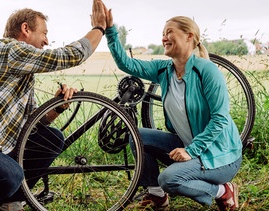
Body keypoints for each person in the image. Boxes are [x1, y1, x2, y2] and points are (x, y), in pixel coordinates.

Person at [0, 1, 107, 210]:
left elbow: (33, 124)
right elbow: (69, 56)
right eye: (44, 33)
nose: (47, 41)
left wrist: (58, 106)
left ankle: (9, 202)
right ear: (26, 29)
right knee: (11, 174)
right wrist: (99, 28)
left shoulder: (22, 72)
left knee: (51, 138)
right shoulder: (9, 49)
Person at [102, 5, 242, 211]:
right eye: (162, 34)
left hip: (220, 155)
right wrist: (110, 30)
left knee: (169, 178)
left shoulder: (207, 71)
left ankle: (223, 191)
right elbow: (126, 64)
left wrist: (191, 151)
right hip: (188, 144)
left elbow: (220, 118)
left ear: (189, 36)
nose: (164, 38)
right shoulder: (164, 70)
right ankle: (157, 195)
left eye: (169, 32)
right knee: (137, 135)